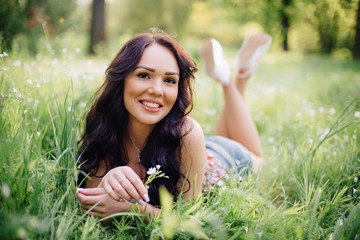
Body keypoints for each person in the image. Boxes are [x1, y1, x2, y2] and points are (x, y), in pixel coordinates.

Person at [76, 29, 272, 220]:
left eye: (169, 80)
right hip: (199, 150)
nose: (157, 90)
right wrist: (110, 178)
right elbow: (90, 200)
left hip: (225, 162)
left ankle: (232, 80)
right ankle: (232, 74)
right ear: (122, 79)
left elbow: (188, 220)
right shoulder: (103, 124)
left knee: (264, 165)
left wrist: (133, 209)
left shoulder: (188, 133)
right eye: (144, 75)